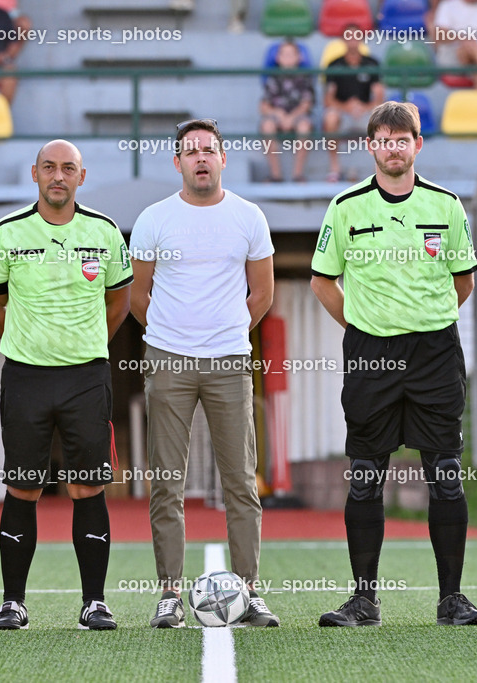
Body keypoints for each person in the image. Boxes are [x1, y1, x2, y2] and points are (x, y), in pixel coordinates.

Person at [310, 101, 477, 627]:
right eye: (383, 139)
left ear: (417, 145)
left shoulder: (448, 206)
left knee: (446, 476)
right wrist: (365, 327)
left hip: (434, 354)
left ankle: (451, 599)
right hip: (370, 357)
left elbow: (465, 281)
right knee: (365, 477)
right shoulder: (344, 207)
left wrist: (425, 322)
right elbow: (323, 281)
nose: (393, 147)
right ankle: (364, 600)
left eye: (401, 138)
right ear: (371, 147)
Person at [0, 139, 132, 631]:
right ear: (35, 174)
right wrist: (28, 343)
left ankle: (94, 603)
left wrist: (81, 347)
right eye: (49, 167)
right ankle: (13, 603)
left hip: (86, 378)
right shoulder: (5, 233)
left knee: (88, 486)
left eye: (68, 168)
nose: (58, 176)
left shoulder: (104, 232)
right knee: (23, 487)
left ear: (82, 177)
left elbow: (119, 304)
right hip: (25, 377)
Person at [130, 118, 279, 629]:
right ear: (177, 162)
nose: (200, 158)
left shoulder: (248, 216)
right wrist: (174, 337)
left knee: (240, 481)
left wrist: (226, 333)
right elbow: (137, 295)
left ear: (222, 158)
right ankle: (170, 594)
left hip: (229, 361)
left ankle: (250, 591)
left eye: (208, 150)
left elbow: (262, 294)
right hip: (168, 360)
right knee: (167, 481)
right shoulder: (154, 218)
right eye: (190, 151)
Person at [323, 27, 384, 183]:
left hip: (365, 111)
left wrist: (364, 107)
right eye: (348, 36)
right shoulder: (334, 65)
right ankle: (334, 169)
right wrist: (346, 107)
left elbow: (379, 96)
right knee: (330, 118)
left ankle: (379, 170)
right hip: (342, 112)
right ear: (343, 39)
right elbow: (328, 99)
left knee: (383, 118)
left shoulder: (372, 63)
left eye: (356, 36)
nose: (352, 40)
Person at [260, 39, 315, 183]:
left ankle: (298, 175)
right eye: (284, 54)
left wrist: (291, 117)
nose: (288, 58)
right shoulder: (272, 77)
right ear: (278, 58)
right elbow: (264, 105)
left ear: (299, 57)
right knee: (267, 126)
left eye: (291, 54)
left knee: (304, 126)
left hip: (298, 116)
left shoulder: (305, 77)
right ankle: (275, 175)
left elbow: (307, 104)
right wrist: (278, 114)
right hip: (277, 116)